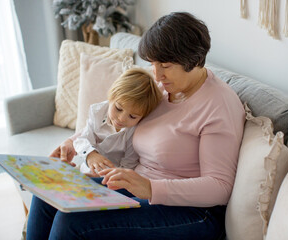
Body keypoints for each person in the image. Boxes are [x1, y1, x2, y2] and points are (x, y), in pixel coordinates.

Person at [26, 12, 246, 240]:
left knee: (72, 220)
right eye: (152, 64)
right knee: (48, 191)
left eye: (165, 65)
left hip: (192, 211)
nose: (157, 75)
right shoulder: (163, 89)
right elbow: (111, 120)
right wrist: (72, 143)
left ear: (193, 60)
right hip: (136, 185)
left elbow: (219, 187)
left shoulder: (218, 105)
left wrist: (151, 188)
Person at [74, 68, 162, 176]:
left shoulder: (135, 131)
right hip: (88, 166)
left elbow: (129, 164)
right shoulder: (98, 111)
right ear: (111, 97)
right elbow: (82, 139)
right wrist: (90, 154)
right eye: (118, 109)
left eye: (132, 116)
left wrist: (107, 176)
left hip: (112, 177)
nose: (121, 119)